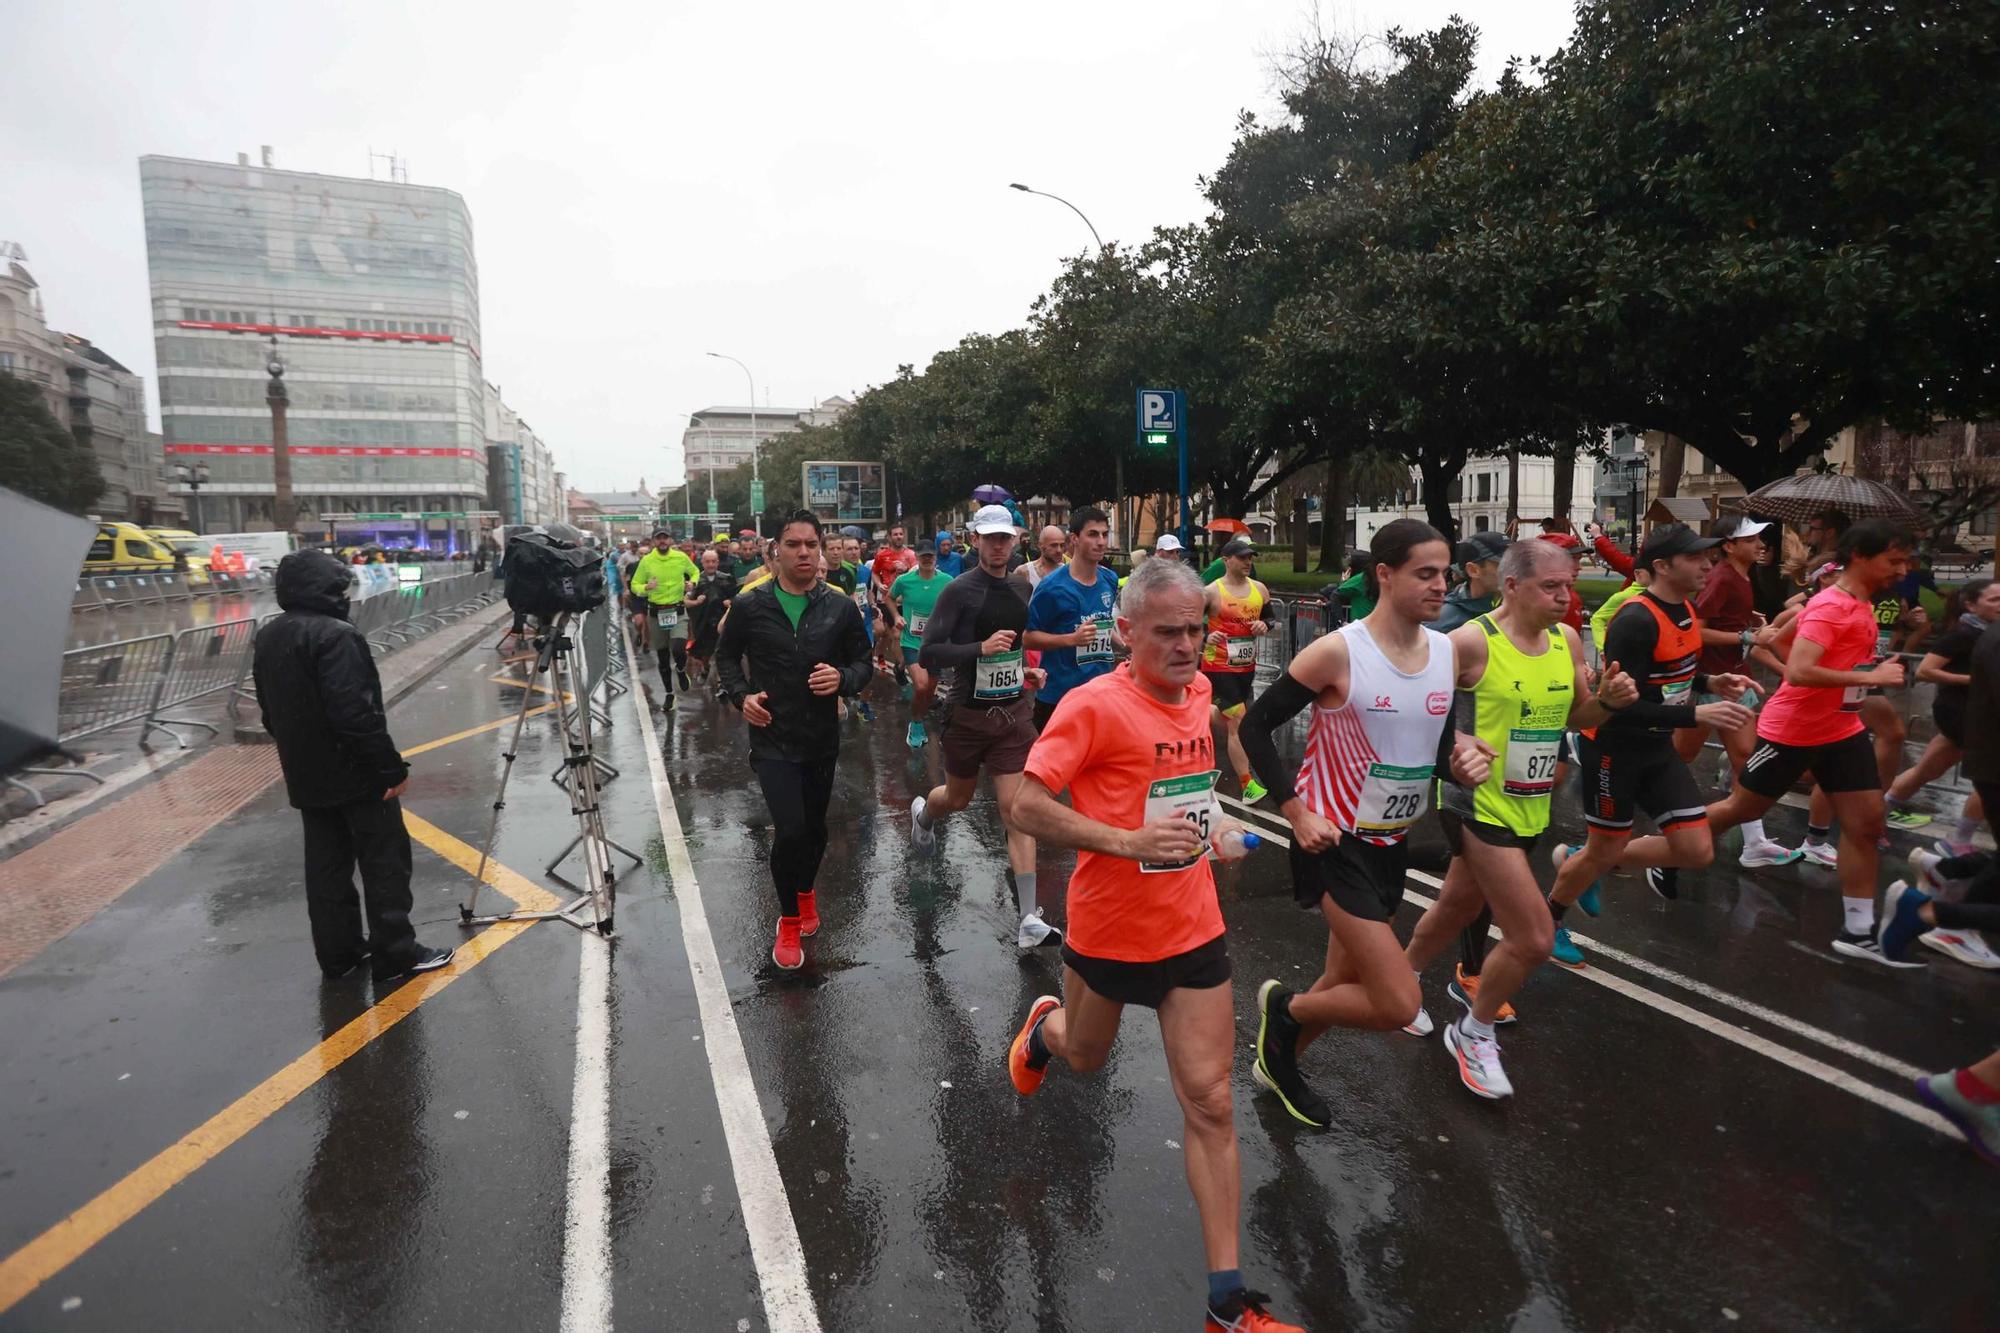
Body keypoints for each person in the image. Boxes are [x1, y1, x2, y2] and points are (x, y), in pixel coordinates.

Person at [1003, 558, 1305, 1333]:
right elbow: (1031, 807)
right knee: (1084, 1056)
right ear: (1127, 632)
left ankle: (1228, 1303)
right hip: (1108, 930)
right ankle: (1043, 1028)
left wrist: (1213, 833)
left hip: (1192, 926)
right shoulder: (1091, 705)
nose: (1185, 645)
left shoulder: (1203, 692)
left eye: (1194, 629)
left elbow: (1180, 787)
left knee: (1209, 1100)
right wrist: (1125, 838)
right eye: (1166, 631)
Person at [1237, 520, 1477, 1127]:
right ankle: (1283, 1010)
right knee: (1398, 1002)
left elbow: (1439, 738)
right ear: (1385, 574)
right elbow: (1253, 727)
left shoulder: (1446, 652)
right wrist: (1294, 811)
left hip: (1390, 844)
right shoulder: (1338, 651)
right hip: (1332, 842)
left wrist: (1461, 761)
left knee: (1340, 979)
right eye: (1425, 573)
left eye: (1444, 573)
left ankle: (1279, 1061)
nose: (1439, 585)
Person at [1396, 540, 1636, 1097]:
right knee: (1533, 938)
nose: (1564, 596)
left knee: (1458, 903)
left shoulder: (1565, 639)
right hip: (1475, 805)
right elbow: (1415, 708)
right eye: (1550, 587)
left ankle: (1399, 982)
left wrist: (1610, 701)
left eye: (1568, 585)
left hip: (1530, 805)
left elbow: (1579, 714)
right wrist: (1456, 744)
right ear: (1511, 586)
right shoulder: (1470, 642)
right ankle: (1474, 1033)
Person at [1625, 519, 1916, 962]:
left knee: (1868, 823)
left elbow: (1777, 639)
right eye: (1893, 560)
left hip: (1843, 730)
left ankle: (1859, 931)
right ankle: (1642, 853)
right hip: (1794, 731)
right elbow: (1798, 668)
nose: (1902, 569)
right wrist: (1868, 675)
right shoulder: (1830, 607)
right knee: (1743, 807)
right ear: (1860, 557)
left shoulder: (1856, 604)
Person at [1544, 525, 1755, 953]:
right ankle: (1551, 920)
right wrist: (1697, 712)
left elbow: (1671, 675)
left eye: (1707, 556)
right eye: (1696, 558)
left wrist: (1712, 681)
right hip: (1613, 750)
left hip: (1656, 748)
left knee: (1697, 851)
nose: (1708, 564)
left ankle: (1582, 861)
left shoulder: (1687, 610)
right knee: (1605, 849)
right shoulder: (1636, 620)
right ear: (1662, 566)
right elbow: (1620, 703)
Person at [253, 550, 453, 984]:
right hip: (356, 776)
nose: (345, 596)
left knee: (327, 871)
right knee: (385, 865)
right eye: (339, 588)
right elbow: (355, 715)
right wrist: (388, 770)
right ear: (325, 589)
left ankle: (339, 954)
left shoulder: (270, 635)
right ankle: (396, 953)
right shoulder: (336, 635)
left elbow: (268, 711)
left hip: (306, 774)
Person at [715, 512, 875, 970]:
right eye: (793, 544)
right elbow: (727, 658)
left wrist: (842, 678)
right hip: (771, 737)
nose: (803, 552)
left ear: (820, 549)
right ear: (776, 551)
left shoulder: (840, 607)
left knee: (815, 828)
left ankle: (806, 890)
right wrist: (740, 697)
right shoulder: (750, 604)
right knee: (788, 830)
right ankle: (787, 919)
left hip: (820, 737)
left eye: (811, 544)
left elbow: (862, 663)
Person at [909, 506, 1056, 948]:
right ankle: (924, 814)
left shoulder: (1019, 589)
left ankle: (1028, 917)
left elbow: (1012, 648)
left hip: (1012, 716)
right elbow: (930, 653)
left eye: (1004, 538)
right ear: (974, 539)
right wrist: (980, 648)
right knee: (957, 798)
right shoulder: (958, 591)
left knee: (1017, 811)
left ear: (1015, 541)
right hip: (968, 717)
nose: (997, 545)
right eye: (989, 538)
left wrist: (1024, 672)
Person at [1680, 516, 1801, 867]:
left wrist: (1748, 621)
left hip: (1734, 679)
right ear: (1729, 545)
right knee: (1679, 757)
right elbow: (1697, 631)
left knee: (1744, 760)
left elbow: (1724, 621)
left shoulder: (1740, 577)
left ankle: (1755, 843)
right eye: (1750, 539)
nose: (1760, 544)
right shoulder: (1722, 578)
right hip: (1712, 682)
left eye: (1760, 538)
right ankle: (1645, 821)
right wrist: (1746, 637)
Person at [1886, 579, 1997, 854]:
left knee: (1927, 770)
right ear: (1970, 604)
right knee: (1992, 777)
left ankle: (1877, 814)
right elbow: (1925, 670)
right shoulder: (1964, 633)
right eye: (1993, 600)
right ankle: (1959, 841)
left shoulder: (1989, 632)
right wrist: (1973, 680)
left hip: (1973, 713)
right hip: (1963, 713)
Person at [1025, 506, 1122, 731]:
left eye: (1104, 534)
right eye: (1093, 534)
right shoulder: (1052, 588)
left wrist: (1126, 643)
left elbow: (1102, 625)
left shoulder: (1109, 578)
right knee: (1054, 765)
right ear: (1074, 539)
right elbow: (1028, 638)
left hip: (1100, 691)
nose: (1101, 542)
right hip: (1059, 697)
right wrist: (1072, 639)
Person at [1200, 537, 1274, 804]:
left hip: (1246, 667)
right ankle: (1247, 785)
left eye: (1250, 557)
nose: (1247, 562)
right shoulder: (1211, 592)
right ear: (1226, 560)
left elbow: (1270, 617)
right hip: (1217, 666)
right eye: (1242, 557)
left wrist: (1265, 626)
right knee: (1239, 721)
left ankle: (1200, 714)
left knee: (1236, 719)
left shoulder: (1260, 589)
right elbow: (1190, 624)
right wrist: (1206, 635)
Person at [888, 540, 949, 749]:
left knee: (929, 690)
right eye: (923, 556)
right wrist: (896, 616)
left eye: (930, 555)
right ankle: (915, 722)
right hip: (911, 641)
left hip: (934, 643)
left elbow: (957, 604)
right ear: (917, 557)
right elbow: (889, 597)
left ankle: (919, 718)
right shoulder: (905, 581)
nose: (927, 559)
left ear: (935, 557)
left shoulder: (947, 581)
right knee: (921, 685)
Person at [631, 529, 700, 703]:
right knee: (662, 657)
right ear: (654, 541)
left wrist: (692, 583)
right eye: (659, 538)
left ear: (670, 540)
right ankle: (669, 694)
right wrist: (646, 587)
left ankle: (681, 670)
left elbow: (695, 572)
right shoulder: (646, 561)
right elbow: (634, 584)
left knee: (678, 647)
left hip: (677, 609)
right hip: (656, 613)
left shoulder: (680, 557)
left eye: (665, 538)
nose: (662, 541)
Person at [1435, 531, 1510, 632]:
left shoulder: (1520, 608)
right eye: (1503, 565)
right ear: (1473, 570)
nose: (1513, 571)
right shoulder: (1443, 624)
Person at [685, 547, 737, 684]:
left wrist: (730, 601)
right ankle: (705, 667)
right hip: (702, 622)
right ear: (702, 562)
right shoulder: (696, 581)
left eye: (713, 561)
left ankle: (722, 680)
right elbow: (685, 601)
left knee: (722, 650)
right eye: (707, 561)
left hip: (722, 621)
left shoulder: (726, 579)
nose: (711, 564)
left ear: (718, 562)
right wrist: (696, 601)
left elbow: (738, 596)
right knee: (704, 653)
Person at [1021, 524, 1067, 589]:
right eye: (1053, 545)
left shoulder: (1068, 573)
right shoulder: (1024, 572)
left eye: (1062, 545)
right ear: (1040, 545)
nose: (1059, 550)